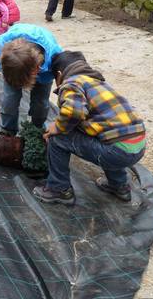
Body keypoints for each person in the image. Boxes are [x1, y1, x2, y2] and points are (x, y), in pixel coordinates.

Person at [33, 51, 146, 205]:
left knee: (58, 138)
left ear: (59, 75)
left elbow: (74, 112)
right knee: (105, 135)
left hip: (118, 152)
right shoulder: (98, 83)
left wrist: (56, 128)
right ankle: (119, 186)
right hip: (137, 146)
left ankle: (59, 189)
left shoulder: (71, 83)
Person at [0, 24, 62, 136]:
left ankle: (36, 128)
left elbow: (57, 75)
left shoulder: (54, 56)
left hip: (44, 71)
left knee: (40, 102)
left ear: (36, 70)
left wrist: (38, 79)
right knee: (10, 98)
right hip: (15, 69)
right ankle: (7, 131)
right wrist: (5, 71)